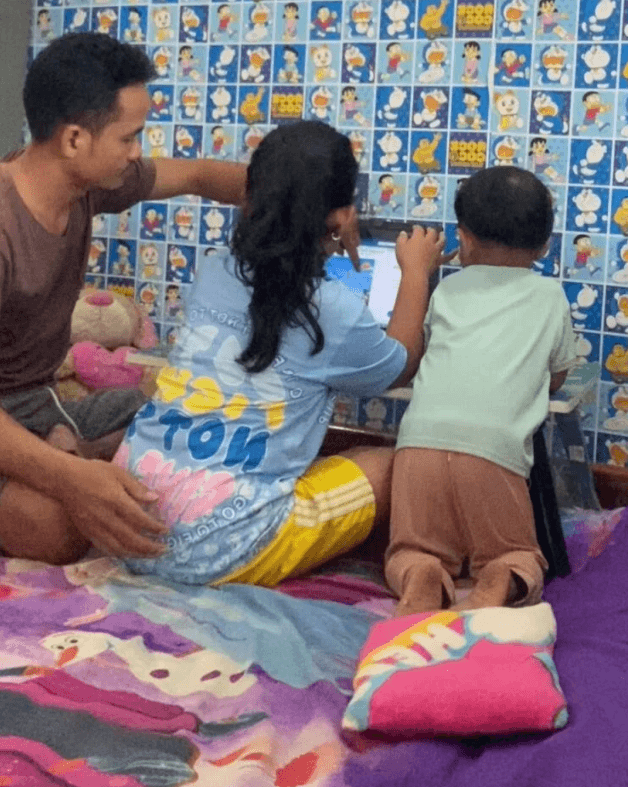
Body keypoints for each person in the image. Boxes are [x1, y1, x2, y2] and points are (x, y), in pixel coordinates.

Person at [0, 32, 361, 567]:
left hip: (34, 404)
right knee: (56, 529)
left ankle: (62, 449)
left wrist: (310, 206)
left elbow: (199, 175)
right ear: (74, 138)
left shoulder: (87, 185)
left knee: (173, 416)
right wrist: (72, 481)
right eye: (129, 137)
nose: (137, 152)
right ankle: (56, 462)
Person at [113, 120, 454, 586]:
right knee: (393, 463)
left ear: (248, 199)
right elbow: (400, 363)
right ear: (340, 217)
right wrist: (415, 271)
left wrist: (328, 227)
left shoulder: (215, 272)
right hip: (218, 552)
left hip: (127, 528)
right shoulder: (334, 310)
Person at [385, 166, 579, 616]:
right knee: (514, 553)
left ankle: (421, 579)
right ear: (545, 245)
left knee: (411, 549)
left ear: (463, 238)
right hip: (494, 454)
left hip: (417, 446)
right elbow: (557, 378)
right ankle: (496, 582)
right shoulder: (550, 296)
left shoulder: (447, 289)